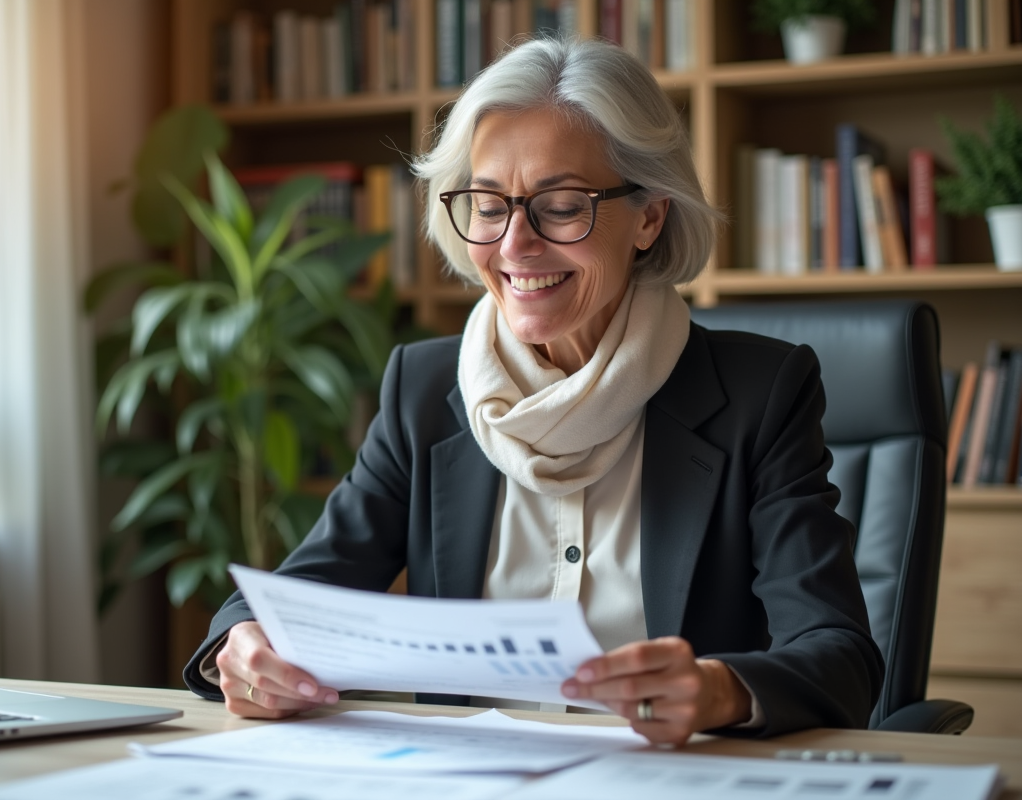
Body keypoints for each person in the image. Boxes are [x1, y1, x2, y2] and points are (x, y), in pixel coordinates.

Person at [183, 37, 883, 745]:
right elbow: (294, 596)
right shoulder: (425, 391)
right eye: (488, 204)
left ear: (650, 216)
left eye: (560, 204)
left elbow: (839, 656)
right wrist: (242, 643)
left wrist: (717, 690)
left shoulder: (760, 394)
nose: (515, 244)